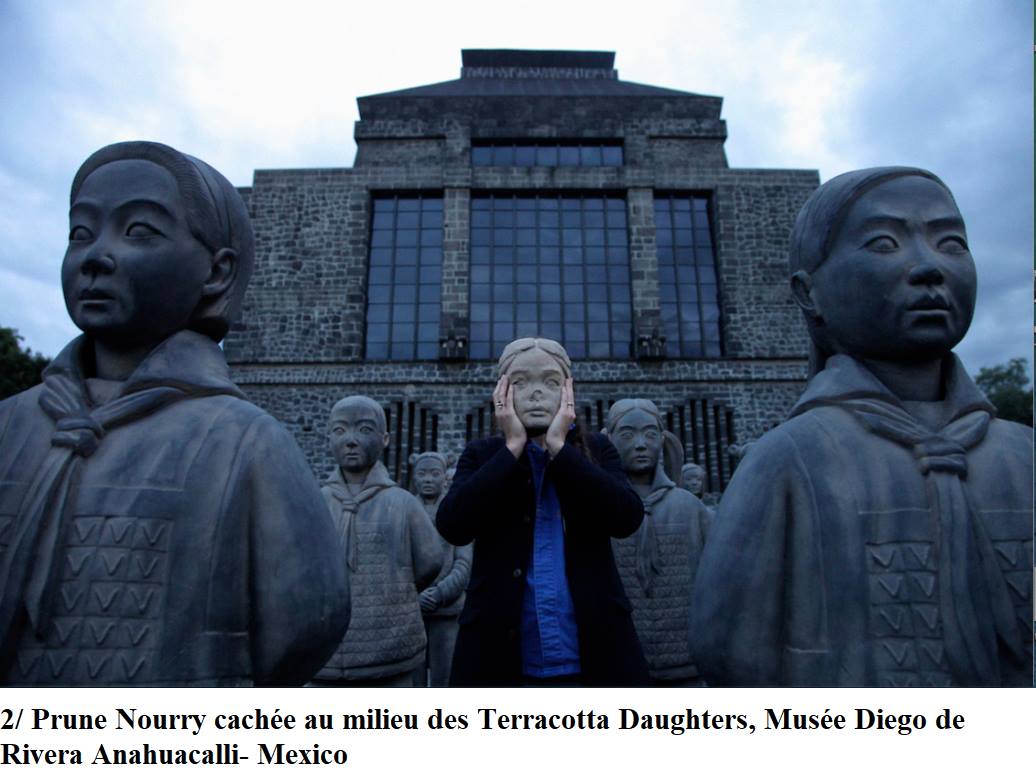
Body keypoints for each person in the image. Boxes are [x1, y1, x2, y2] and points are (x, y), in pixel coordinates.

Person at [0, 141, 350, 685]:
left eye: (138, 231)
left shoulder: (244, 441)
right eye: (81, 232)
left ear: (217, 271)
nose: (96, 256)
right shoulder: (9, 424)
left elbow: (309, 617)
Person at [691, 167, 1033, 687]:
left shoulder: (1023, 455)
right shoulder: (791, 459)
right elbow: (730, 646)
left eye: (951, 243)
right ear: (809, 293)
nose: (929, 267)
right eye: (884, 244)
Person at [437, 337, 649, 686]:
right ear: (502, 392)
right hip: (500, 657)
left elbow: (626, 518)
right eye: (521, 382)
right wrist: (512, 448)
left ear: (568, 391)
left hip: (593, 652)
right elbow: (453, 525)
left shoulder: (597, 449)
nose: (536, 392)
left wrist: (560, 450)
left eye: (550, 382)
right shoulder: (483, 455)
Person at [313, 396, 442, 687]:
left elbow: (430, 561)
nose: (351, 440)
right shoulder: (316, 502)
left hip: (389, 648)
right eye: (340, 430)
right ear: (328, 437)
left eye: (364, 430)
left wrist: (395, 587)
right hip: (326, 654)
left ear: (385, 439)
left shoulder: (403, 503)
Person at [605, 399, 710, 686]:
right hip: (621, 668)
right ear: (609, 439)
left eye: (650, 434)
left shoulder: (691, 508)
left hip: (688, 667)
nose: (640, 444)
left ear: (662, 440)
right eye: (627, 435)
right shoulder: (600, 509)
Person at [409, 451, 471, 687]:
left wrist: (441, 592)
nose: (428, 479)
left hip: (448, 609)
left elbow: (463, 563)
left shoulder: (456, 511)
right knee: (411, 680)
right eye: (422, 474)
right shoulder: (405, 510)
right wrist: (415, 595)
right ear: (414, 477)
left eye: (434, 474)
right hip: (412, 610)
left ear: (445, 477)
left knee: (444, 679)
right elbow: (399, 562)